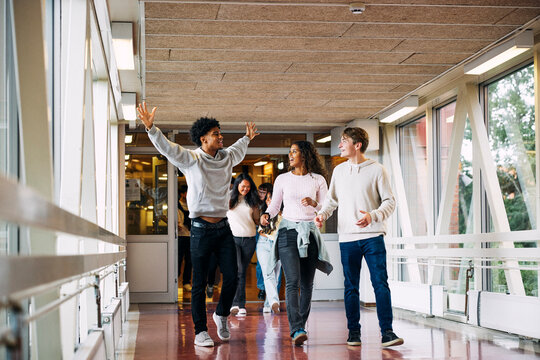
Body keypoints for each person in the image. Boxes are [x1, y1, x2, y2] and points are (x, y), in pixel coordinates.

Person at [137, 102, 259, 347]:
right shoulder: (191, 159)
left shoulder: (226, 158)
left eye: (220, 133)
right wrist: (151, 129)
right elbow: (168, 149)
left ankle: (221, 314)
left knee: (234, 276)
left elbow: (238, 148)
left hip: (223, 228)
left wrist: (247, 137)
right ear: (203, 139)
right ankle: (200, 332)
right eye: (216, 134)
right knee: (200, 282)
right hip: (201, 230)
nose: (221, 137)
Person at [314, 127, 403, 348]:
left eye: (344, 141)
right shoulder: (339, 171)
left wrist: (373, 216)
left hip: (373, 236)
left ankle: (388, 333)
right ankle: (353, 333)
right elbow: (331, 200)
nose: (340, 145)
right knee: (351, 287)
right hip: (347, 238)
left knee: (380, 284)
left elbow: (389, 202)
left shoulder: (377, 170)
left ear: (357, 145)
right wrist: (322, 215)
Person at [261, 140, 332, 346]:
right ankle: (297, 328)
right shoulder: (282, 179)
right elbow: (275, 205)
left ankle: (301, 323)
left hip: (309, 233)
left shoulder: (318, 179)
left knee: (307, 283)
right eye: (289, 152)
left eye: (294, 152)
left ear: (305, 155)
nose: (290, 155)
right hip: (287, 232)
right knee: (292, 281)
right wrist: (266, 214)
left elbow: (325, 208)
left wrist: (314, 204)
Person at [227, 173, 260, 316]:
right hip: (233, 239)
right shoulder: (228, 198)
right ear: (237, 186)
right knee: (238, 271)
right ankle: (238, 304)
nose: (245, 189)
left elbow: (257, 220)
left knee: (242, 272)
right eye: (243, 186)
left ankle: (238, 304)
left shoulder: (252, 200)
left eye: (248, 186)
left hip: (250, 239)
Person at [256, 186, 283, 314]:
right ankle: (274, 302)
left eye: (270, 199)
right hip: (264, 244)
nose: (268, 201)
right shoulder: (264, 212)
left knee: (276, 276)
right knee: (268, 273)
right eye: (267, 199)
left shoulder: (285, 214)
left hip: (279, 245)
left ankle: (269, 303)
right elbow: (260, 230)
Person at [255, 182, 272, 300]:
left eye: (263, 192)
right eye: (259, 191)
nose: (261, 194)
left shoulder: (272, 204)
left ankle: (271, 291)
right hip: (258, 233)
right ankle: (262, 288)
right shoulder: (255, 203)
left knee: (273, 265)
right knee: (260, 264)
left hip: (271, 235)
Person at [178, 185, 192, 292]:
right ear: (182, 194)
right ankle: (176, 279)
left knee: (189, 260)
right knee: (178, 260)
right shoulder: (176, 205)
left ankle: (186, 282)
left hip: (191, 236)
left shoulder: (192, 205)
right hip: (180, 236)